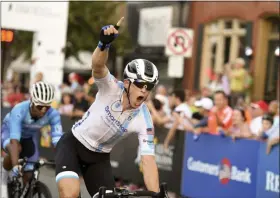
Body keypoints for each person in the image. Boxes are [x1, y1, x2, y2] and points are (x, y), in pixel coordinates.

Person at [55, 17, 160, 198]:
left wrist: (156, 194)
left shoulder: (144, 118)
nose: (144, 90)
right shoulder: (110, 87)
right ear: (127, 82)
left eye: (149, 87)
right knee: (70, 194)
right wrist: (103, 45)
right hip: (73, 145)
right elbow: (97, 66)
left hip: (99, 159)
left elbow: (148, 160)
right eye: (140, 84)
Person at [1, 81, 63, 194]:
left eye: (47, 107)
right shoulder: (19, 109)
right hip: (10, 133)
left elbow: (57, 141)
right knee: (17, 150)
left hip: (29, 137)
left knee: (29, 175)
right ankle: (3, 178)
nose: (44, 110)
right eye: (40, 106)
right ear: (32, 102)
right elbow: (14, 141)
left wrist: (63, 161)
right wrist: (15, 165)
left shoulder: (54, 114)